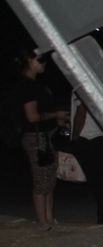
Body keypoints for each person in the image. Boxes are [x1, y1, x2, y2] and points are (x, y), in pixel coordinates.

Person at [11, 51, 68, 229]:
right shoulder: (26, 86)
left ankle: (49, 218)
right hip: (36, 137)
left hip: (46, 135)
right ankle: (42, 221)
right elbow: (32, 117)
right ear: (29, 60)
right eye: (40, 59)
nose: (44, 63)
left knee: (50, 179)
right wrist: (55, 115)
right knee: (41, 180)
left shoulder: (37, 84)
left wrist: (58, 120)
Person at [69, 92, 103, 226]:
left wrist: (74, 138)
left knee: (97, 182)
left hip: (88, 139)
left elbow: (81, 112)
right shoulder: (97, 86)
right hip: (102, 136)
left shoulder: (79, 87)